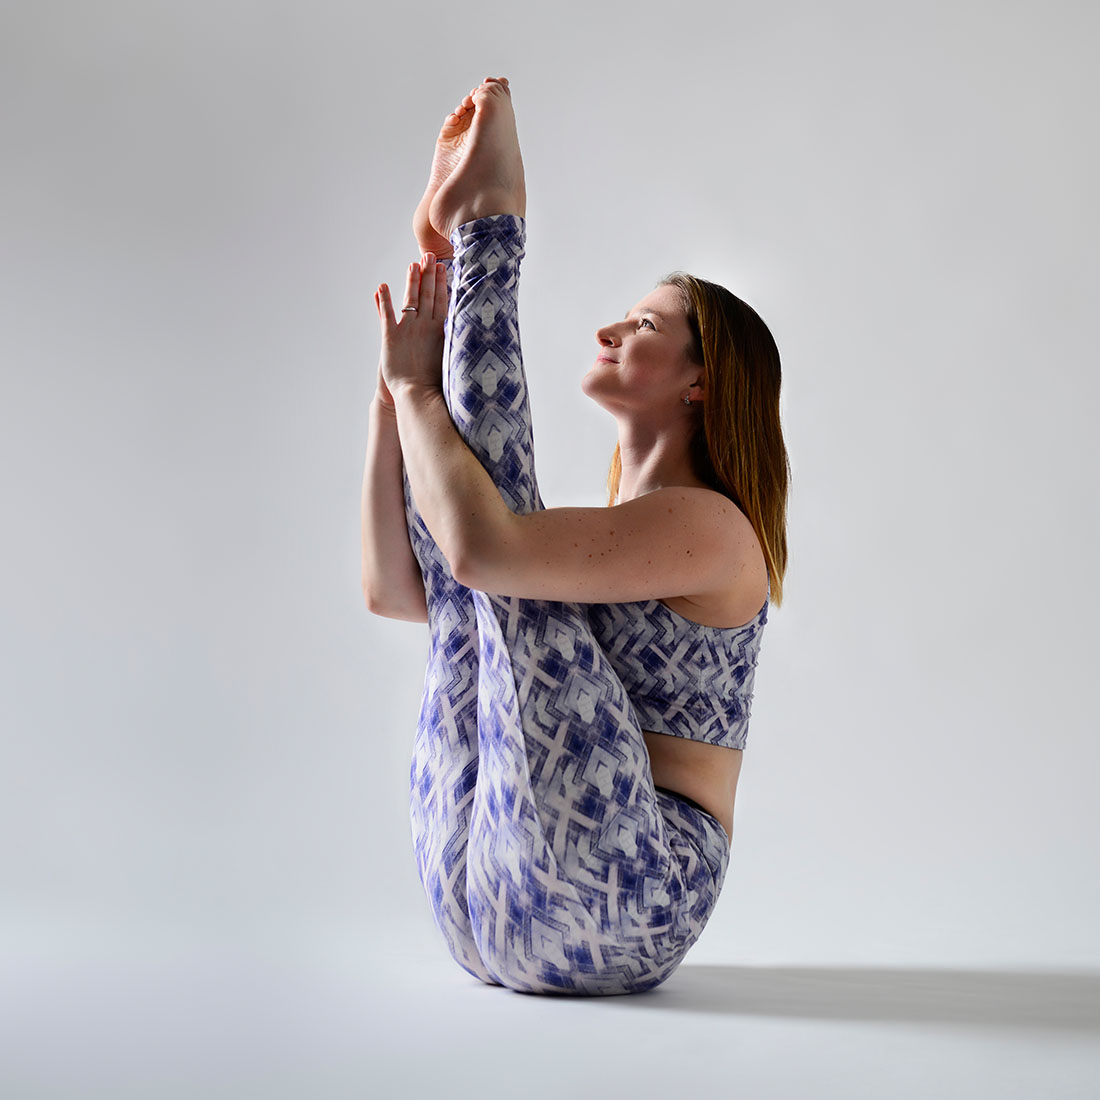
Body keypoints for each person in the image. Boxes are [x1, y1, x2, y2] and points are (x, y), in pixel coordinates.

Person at [360, 77, 789, 995]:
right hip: (485, 890)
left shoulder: (710, 528)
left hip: (629, 894)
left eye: (645, 325)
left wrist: (420, 395)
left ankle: (489, 233)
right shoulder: (610, 533)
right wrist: (393, 396)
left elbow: (487, 551)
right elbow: (405, 589)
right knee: (477, 588)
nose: (610, 327)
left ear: (701, 383)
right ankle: (478, 237)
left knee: (500, 550)